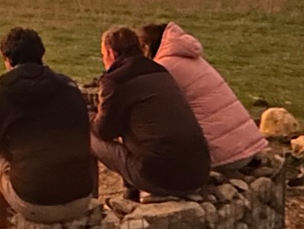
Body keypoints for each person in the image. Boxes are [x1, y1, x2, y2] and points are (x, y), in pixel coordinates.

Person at [0, 26, 98, 229]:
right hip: (82, 199)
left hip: (35, 203)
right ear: (40, 55)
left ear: (8, 59)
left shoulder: (4, 92)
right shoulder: (69, 87)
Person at [92, 26, 212, 198]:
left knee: (88, 134)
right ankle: (130, 194)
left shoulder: (115, 80)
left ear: (111, 53)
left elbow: (104, 131)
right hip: (198, 173)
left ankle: (91, 205)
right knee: (137, 125)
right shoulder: (161, 71)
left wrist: (89, 117)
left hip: (160, 178)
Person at [142, 21, 267, 170]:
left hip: (224, 158)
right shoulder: (190, 59)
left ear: (147, 47)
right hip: (246, 147)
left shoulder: (165, 68)